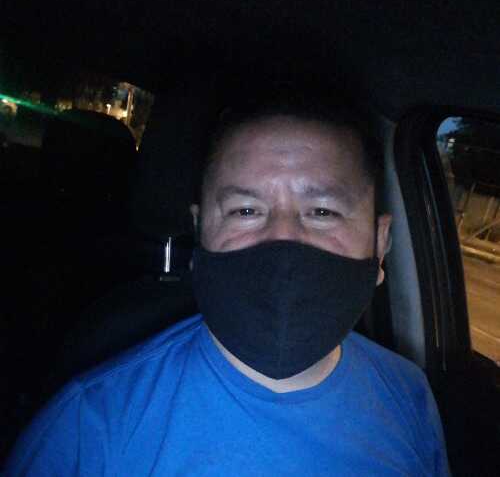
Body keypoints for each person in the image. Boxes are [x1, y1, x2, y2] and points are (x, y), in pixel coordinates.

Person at [5, 93, 450, 476]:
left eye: (322, 212)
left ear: (380, 242)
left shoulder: (408, 397)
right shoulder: (89, 426)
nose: (283, 239)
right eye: (246, 211)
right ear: (200, 231)